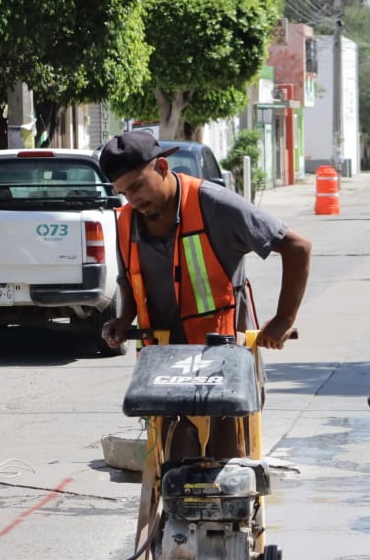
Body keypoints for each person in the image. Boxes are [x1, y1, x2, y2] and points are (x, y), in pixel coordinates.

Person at [98, 130, 312, 458]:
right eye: (123, 192)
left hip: (223, 354)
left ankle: (230, 504)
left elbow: (297, 247)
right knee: (173, 453)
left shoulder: (213, 204)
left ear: (163, 167)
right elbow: (128, 279)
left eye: (138, 186)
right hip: (164, 360)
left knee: (225, 456)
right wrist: (124, 319)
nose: (133, 199)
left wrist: (284, 319)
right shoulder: (127, 220)